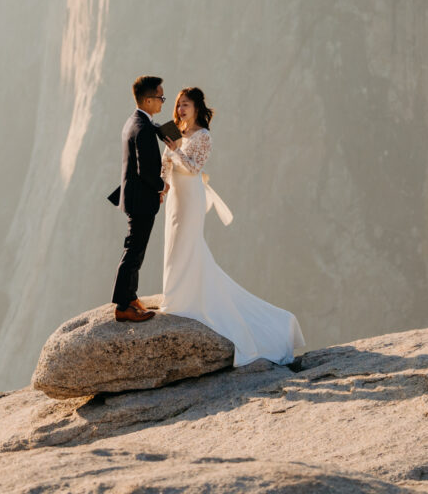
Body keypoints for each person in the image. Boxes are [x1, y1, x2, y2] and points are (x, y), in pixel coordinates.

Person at [158, 87, 305, 366]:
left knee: (188, 244)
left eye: (185, 105)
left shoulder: (203, 136)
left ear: (198, 107)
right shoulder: (177, 133)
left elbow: (193, 168)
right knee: (174, 243)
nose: (180, 110)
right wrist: (162, 186)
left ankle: (188, 298)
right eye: (178, 105)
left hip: (191, 198)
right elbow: (166, 163)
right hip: (176, 197)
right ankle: (176, 294)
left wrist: (176, 150)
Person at [109, 75, 172, 322]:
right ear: (148, 100)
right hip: (141, 199)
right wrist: (162, 187)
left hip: (133, 196)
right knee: (134, 251)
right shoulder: (143, 128)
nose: (163, 103)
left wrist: (176, 128)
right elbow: (145, 170)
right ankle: (123, 306)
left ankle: (130, 296)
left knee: (136, 249)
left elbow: (156, 128)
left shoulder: (135, 121)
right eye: (161, 98)